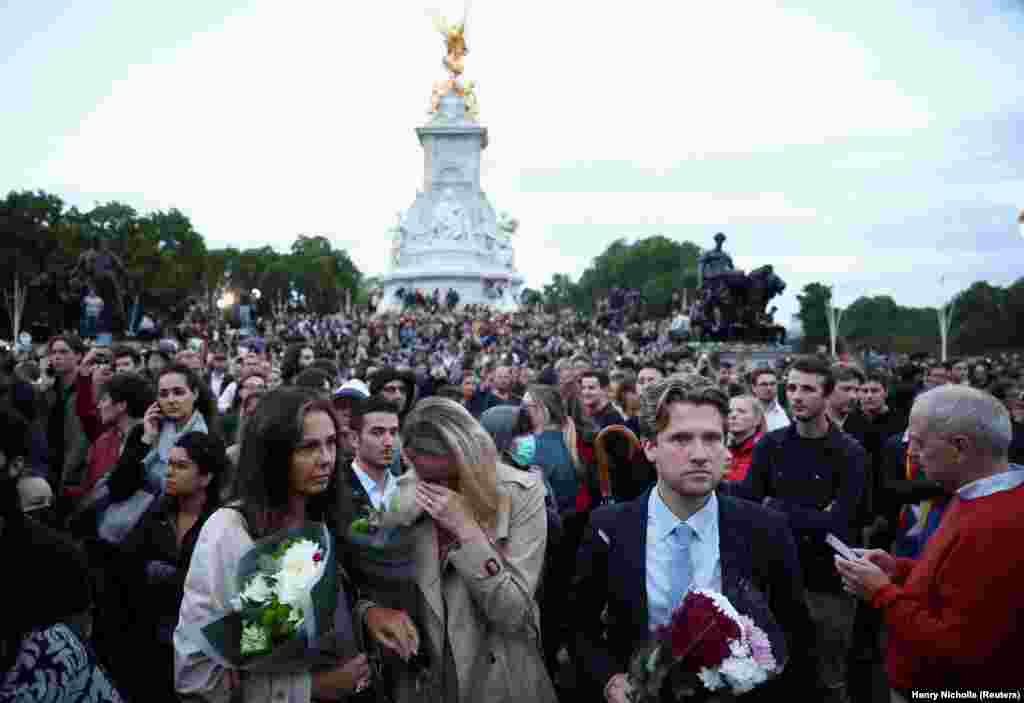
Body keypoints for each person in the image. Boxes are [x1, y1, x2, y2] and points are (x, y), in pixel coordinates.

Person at [572, 374, 819, 702]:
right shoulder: (610, 528)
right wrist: (610, 680)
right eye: (681, 439)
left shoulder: (765, 529)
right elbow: (580, 627)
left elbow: (795, 635)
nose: (700, 454)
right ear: (650, 446)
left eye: (712, 438)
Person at [174, 388, 371, 702]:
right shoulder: (229, 531)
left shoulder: (328, 518)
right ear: (273, 453)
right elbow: (196, 676)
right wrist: (311, 689)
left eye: (331, 443)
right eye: (308, 447)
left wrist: (368, 614)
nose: (326, 459)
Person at [359, 397, 558, 703]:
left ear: (470, 457)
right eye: (428, 478)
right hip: (429, 681)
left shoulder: (521, 494)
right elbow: (369, 586)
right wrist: (371, 611)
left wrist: (466, 529)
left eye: (451, 478)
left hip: (501, 680)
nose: (440, 490)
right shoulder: (402, 499)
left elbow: (513, 611)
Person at [836, 385, 1024, 696]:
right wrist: (899, 569)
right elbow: (955, 581)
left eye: (920, 443)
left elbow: (957, 646)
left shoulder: (999, 523)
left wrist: (880, 592)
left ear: (960, 447)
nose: (911, 454)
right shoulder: (973, 496)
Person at [737, 357, 867, 703]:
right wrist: (810, 516)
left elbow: (840, 523)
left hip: (827, 583)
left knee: (828, 678)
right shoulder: (772, 445)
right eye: (791, 387)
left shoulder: (849, 453)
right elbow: (751, 506)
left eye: (807, 389)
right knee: (772, 674)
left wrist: (776, 508)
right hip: (774, 578)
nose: (796, 396)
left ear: (826, 396)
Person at [121, 432, 227, 702]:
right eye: (169, 464)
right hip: (148, 641)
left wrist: (166, 576)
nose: (169, 472)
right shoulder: (157, 512)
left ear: (206, 477)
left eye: (181, 466)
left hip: (199, 649)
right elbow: (128, 564)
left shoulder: (222, 523)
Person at [723, 395, 765, 483]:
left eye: (741, 411)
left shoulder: (764, 449)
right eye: (729, 411)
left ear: (757, 419)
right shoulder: (724, 449)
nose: (733, 415)